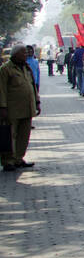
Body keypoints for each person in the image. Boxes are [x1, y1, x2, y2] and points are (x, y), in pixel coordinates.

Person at [0, 43, 40, 171]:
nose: (26, 55)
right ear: (15, 54)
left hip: (27, 107)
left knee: (24, 135)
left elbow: (33, 86)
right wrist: (3, 107)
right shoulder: (5, 69)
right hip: (12, 109)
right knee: (10, 135)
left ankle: (18, 158)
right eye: (23, 53)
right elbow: (2, 90)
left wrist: (37, 102)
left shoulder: (26, 68)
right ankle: (8, 160)